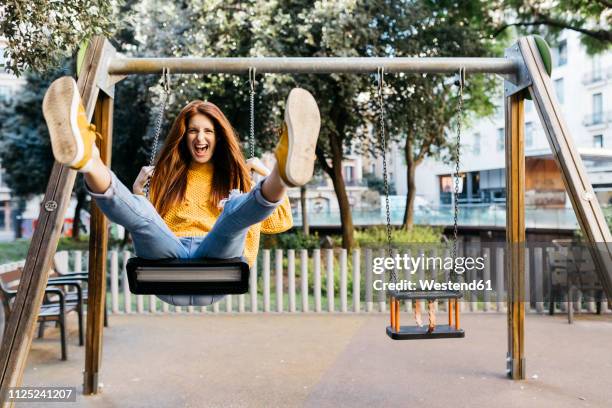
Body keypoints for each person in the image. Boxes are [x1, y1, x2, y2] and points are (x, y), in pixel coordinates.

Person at [42, 76, 321, 306]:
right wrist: (139, 195)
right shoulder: (166, 176)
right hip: (167, 268)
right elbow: (148, 228)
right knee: (143, 215)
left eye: (208, 132)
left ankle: (282, 173)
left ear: (219, 136)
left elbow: (280, 223)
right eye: (192, 131)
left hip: (219, 268)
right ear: (183, 136)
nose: (200, 138)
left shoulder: (237, 176)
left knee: (234, 213)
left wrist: (261, 172)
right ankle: (87, 157)